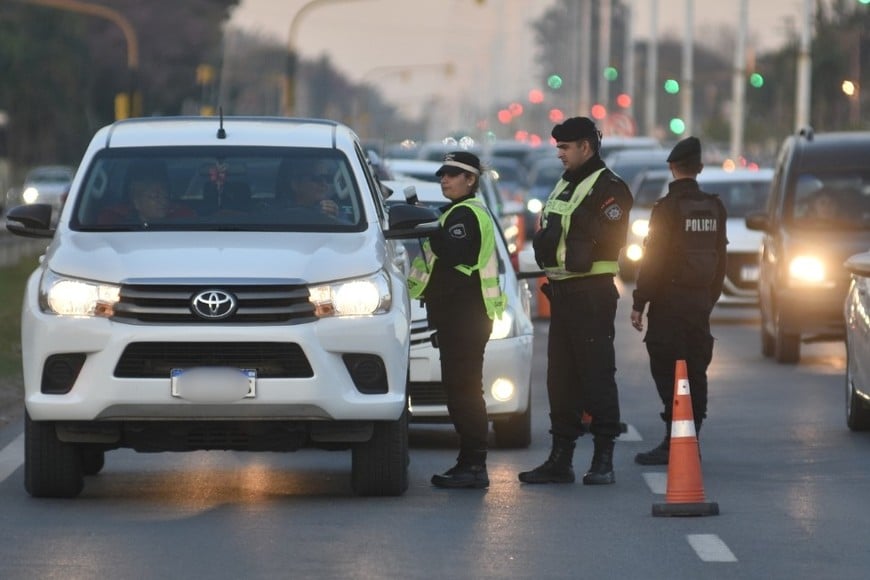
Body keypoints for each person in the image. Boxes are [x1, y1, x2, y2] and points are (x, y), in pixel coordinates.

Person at [518, 117, 633, 486]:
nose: (560, 154)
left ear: (586, 146)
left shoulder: (609, 188)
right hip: (564, 293)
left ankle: (603, 458)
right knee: (560, 378)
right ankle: (560, 458)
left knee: (596, 374)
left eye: (565, 148)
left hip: (591, 293)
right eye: (558, 148)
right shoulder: (565, 185)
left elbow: (602, 237)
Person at [407, 151, 506, 489]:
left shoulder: (464, 214)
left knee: (465, 392)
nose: (444, 180)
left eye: (452, 175)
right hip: (459, 317)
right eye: (442, 175)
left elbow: (457, 255)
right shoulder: (454, 213)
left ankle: (475, 465)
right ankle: (468, 461)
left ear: (471, 180)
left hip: (466, 317)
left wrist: (426, 225)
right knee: (460, 390)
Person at [630, 136, 728, 465]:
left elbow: (653, 259)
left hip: (669, 305)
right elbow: (721, 261)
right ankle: (691, 436)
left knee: (668, 370)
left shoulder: (666, 209)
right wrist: (706, 298)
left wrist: (640, 302)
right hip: (699, 304)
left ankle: (676, 439)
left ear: (672, 168)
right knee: (696, 370)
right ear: (699, 169)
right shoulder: (715, 207)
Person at [98, 162, 193, 224]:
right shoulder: (115, 224)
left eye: (165, 196)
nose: (163, 201)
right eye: (155, 196)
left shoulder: (184, 221)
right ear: (136, 203)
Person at [275, 158, 339, 217]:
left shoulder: (336, 213)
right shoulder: (278, 216)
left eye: (327, 178)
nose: (324, 184)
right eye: (316, 178)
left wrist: (331, 218)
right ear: (296, 184)